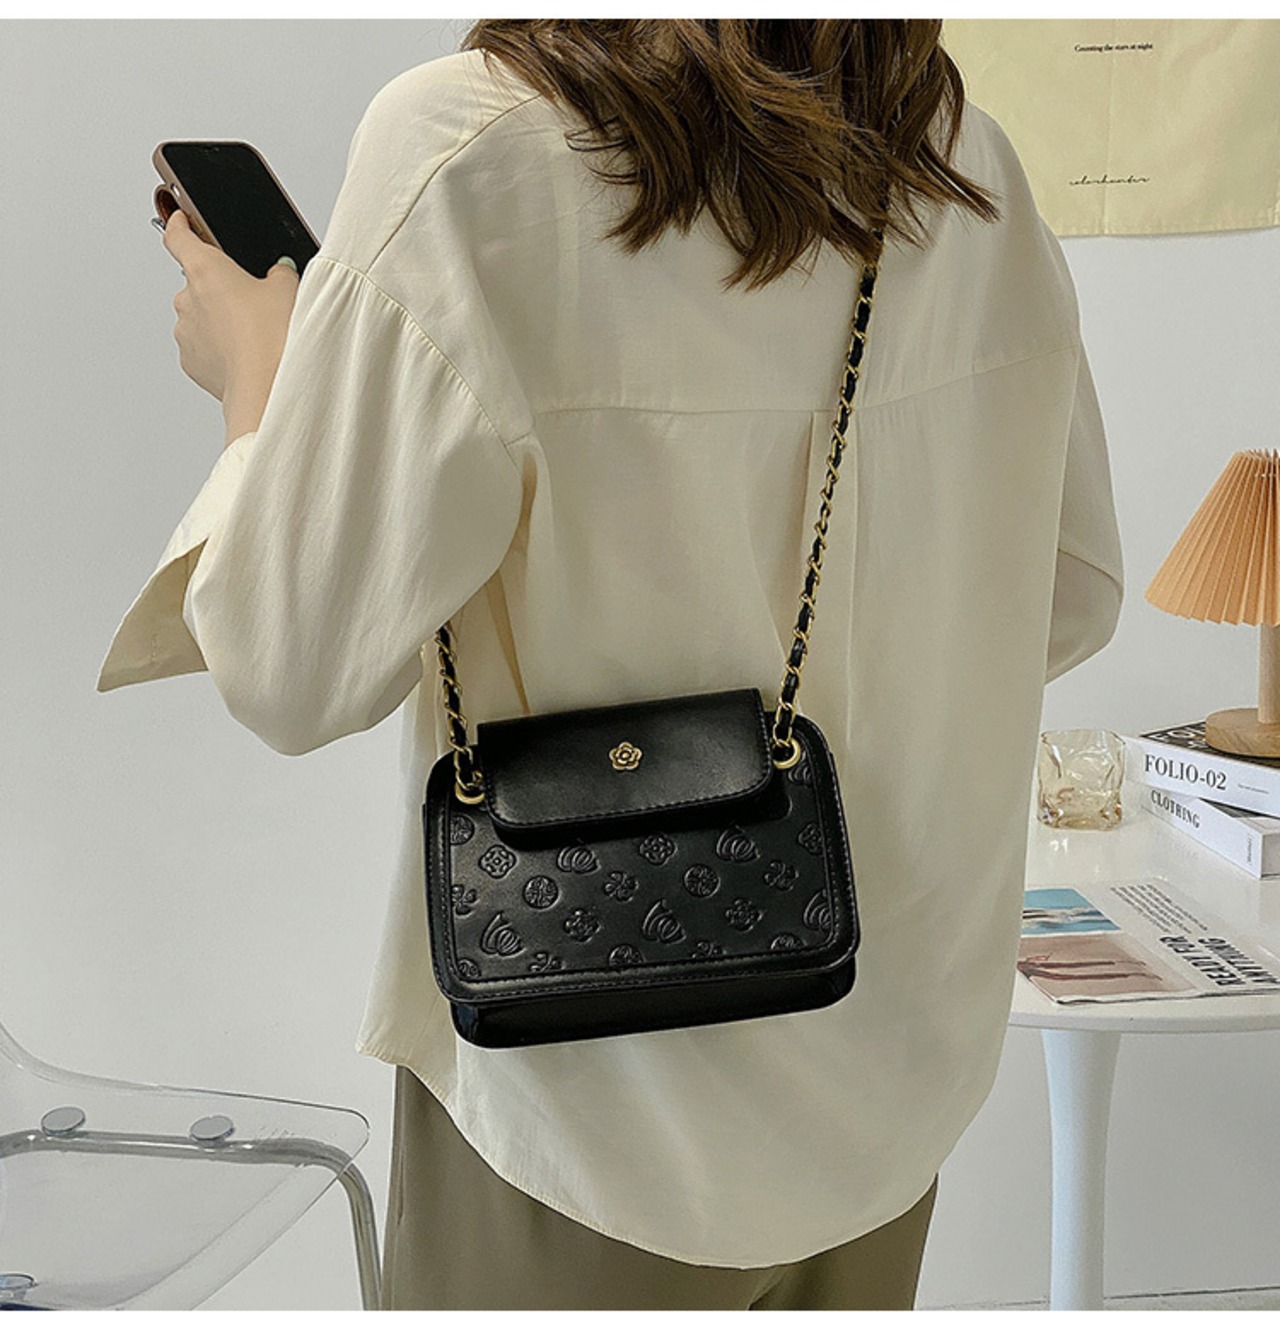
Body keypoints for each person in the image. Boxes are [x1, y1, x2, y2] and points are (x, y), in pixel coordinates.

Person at [97, 19, 1124, 1310]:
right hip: (887, 1068)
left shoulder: (468, 147)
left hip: (587, 1086)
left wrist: (260, 377)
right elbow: (1066, 593)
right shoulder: (958, 159)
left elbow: (292, 668)